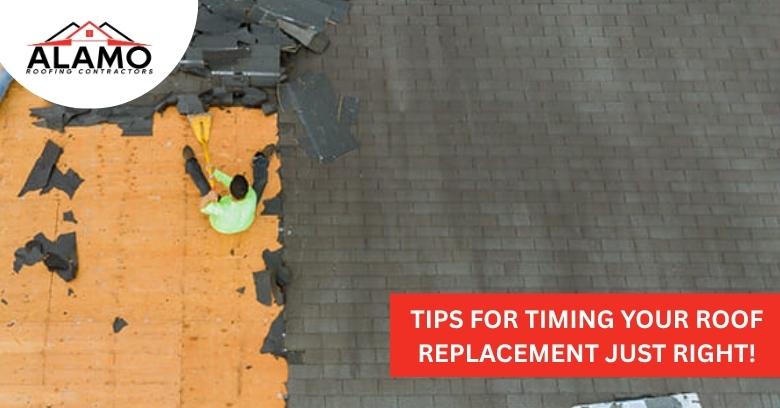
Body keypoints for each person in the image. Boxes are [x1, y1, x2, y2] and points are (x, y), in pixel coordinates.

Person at [183, 145, 273, 234]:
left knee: (205, 189)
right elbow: (230, 182)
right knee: (261, 181)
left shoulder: (221, 209)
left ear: (229, 192)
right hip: (245, 224)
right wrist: (215, 172)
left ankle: (191, 163)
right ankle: (260, 160)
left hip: (221, 227)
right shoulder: (252, 195)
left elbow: (202, 207)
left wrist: (208, 197)